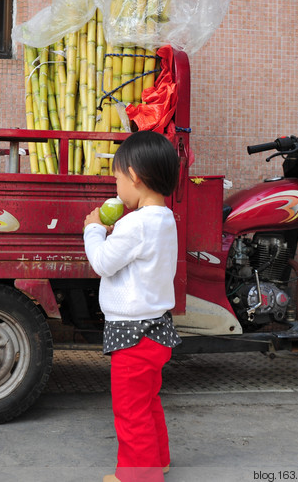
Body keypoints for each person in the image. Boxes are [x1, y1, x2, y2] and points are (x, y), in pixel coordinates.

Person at [83, 130, 182, 482]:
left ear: (135, 177)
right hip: (156, 331)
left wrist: (93, 230)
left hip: (132, 335)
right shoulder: (165, 219)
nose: (116, 187)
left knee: (131, 409)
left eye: (117, 177)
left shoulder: (133, 224)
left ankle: (139, 476)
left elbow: (103, 263)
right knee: (148, 402)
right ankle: (158, 461)